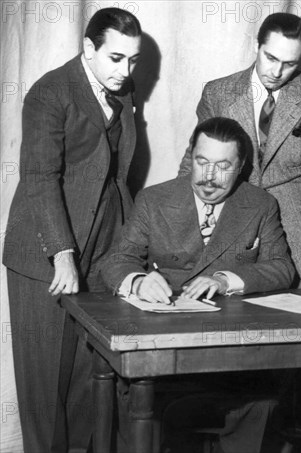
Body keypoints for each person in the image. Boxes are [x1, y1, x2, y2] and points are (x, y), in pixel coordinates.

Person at [102, 117, 295, 453]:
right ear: (190, 157)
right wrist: (138, 280)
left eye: (223, 166)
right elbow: (117, 261)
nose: (209, 176)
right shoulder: (154, 200)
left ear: (241, 167)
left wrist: (225, 279)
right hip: (163, 354)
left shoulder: (260, 204)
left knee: (262, 399)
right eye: (202, 162)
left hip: (231, 355)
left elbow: (282, 268)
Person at [2, 8, 142, 452]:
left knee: (90, 375)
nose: (126, 71)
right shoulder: (49, 93)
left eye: (133, 60)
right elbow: (40, 177)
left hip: (102, 246)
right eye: (116, 58)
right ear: (88, 48)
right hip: (45, 253)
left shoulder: (124, 91)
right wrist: (62, 251)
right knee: (46, 386)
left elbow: (116, 174)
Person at [178, 12, 301, 293]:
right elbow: (193, 165)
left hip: (298, 241)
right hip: (229, 231)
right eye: (270, 58)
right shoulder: (218, 94)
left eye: (289, 64)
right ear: (255, 47)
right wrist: (184, 229)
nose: (277, 72)